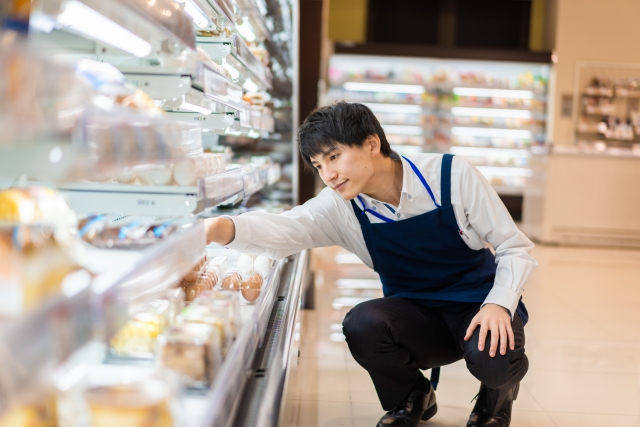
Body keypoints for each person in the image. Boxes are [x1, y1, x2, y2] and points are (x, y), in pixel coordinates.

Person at [204, 102, 536, 427]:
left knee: (496, 358)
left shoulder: (451, 176)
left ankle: (496, 400)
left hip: (477, 309)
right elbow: (286, 227)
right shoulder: (340, 207)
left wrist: (498, 304)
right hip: (418, 318)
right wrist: (221, 229)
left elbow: (514, 246)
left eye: (333, 156)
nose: (328, 175)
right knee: (363, 324)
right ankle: (412, 395)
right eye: (318, 166)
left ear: (371, 144)